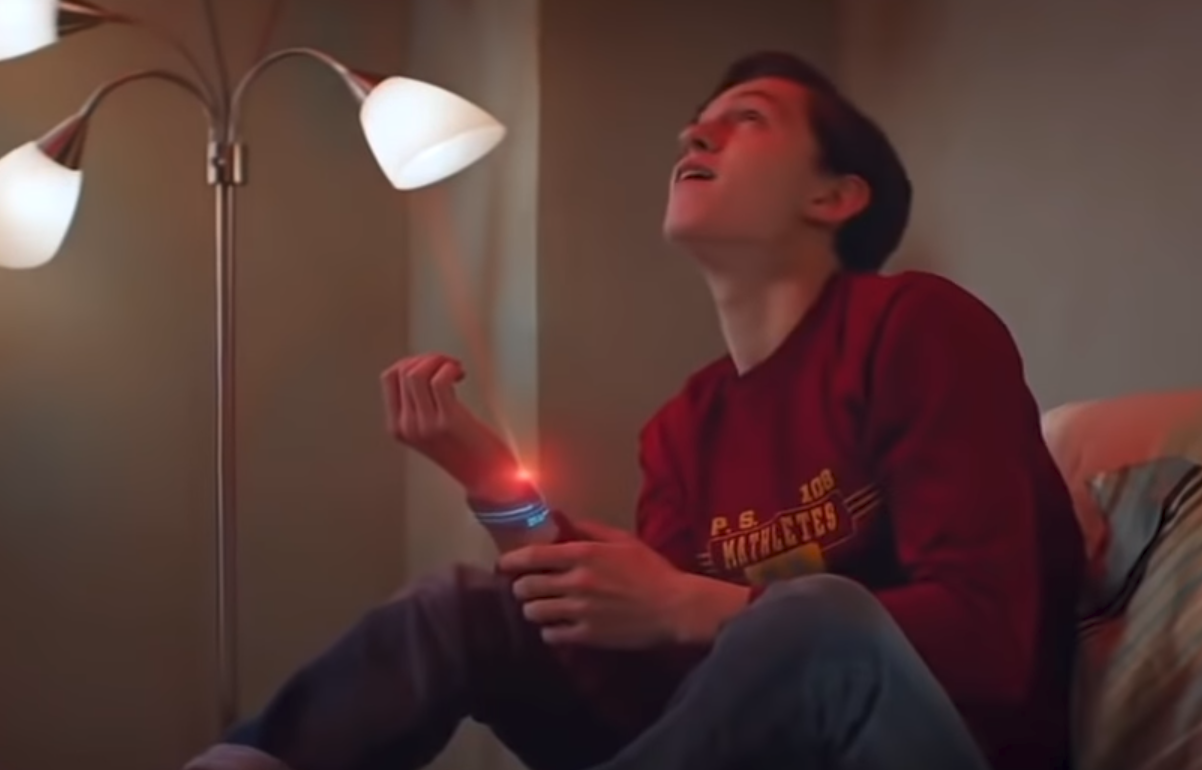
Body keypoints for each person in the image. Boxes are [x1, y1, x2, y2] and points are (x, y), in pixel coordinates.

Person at [186, 51, 1084, 770]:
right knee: (463, 606)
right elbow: (648, 685)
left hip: (922, 743)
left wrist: (697, 604)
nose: (696, 130)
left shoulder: (916, 327)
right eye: (699, 121)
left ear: (833, 196)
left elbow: (988, 642)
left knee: (817, 619)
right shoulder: (688, 424)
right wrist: (491, 480)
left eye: (748, 118)